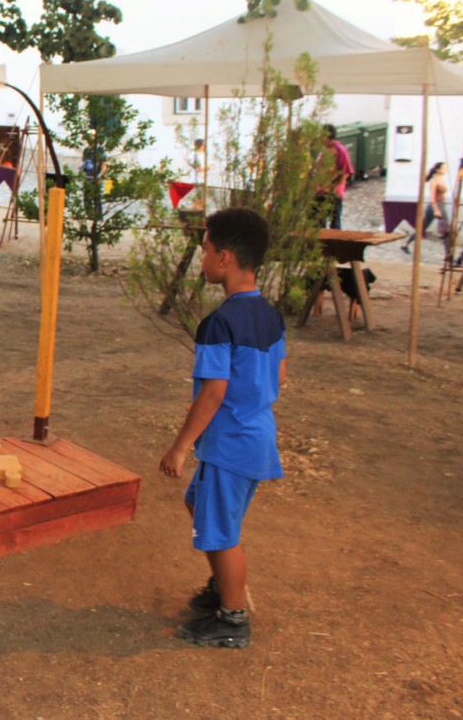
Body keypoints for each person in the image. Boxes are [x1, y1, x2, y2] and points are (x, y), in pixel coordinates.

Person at [159, 207, 286, 650]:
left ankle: (233, 620)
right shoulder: (269, 316)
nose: (202, 255)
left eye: (206, 248)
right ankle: (223, 586)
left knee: (223, 532)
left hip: (230, 444)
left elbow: (212, 393)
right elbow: (280, 375)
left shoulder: (218, 325)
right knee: (201, 505)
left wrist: (180, 447)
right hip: (255, 436)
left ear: (225, 258)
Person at [401, 162, 450, 254]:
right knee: (446, 229)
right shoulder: (434, 181)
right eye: (443, 168)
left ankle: (405, 244)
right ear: (437, 170)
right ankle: (448, 254)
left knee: (425, 227)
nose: (445, 170)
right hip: (435, 206)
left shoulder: (441, 179)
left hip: (441, 205)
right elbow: (432, 197)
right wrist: (436, 210)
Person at [317, 125, 355, 230]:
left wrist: (335, 188)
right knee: (319, 219)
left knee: (334, 220)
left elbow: (346, 172)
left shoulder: (340, 151)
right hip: (321, 190)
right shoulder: (324, 150)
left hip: (334, 192)